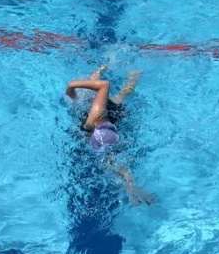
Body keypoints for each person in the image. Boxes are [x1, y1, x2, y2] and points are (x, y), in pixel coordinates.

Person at [66, 65, 155, 205]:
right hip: (104, 130)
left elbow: (102, 85)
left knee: (111, 161)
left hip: (101, 134)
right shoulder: (97, 110)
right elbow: (101, 85)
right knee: (122, 95)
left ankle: (130, 186)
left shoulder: (92, 109)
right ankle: (134, 72)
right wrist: (73, 86)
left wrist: (72, 86)